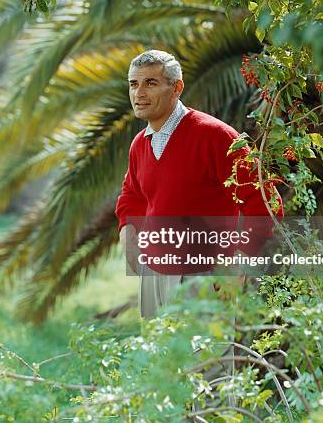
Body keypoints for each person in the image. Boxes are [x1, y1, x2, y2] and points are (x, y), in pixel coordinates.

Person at [115, 49, 282, 319]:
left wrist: (240, 260)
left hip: (204, 275)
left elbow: (265, 200)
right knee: (160, 361)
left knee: (205, 361)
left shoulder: (216, 136)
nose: (139, 93)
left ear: (176, 87)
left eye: (151, 83)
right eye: (134, 84)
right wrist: (128, 233)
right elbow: (132, 194)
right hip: (154, 274)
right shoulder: (140, 143)